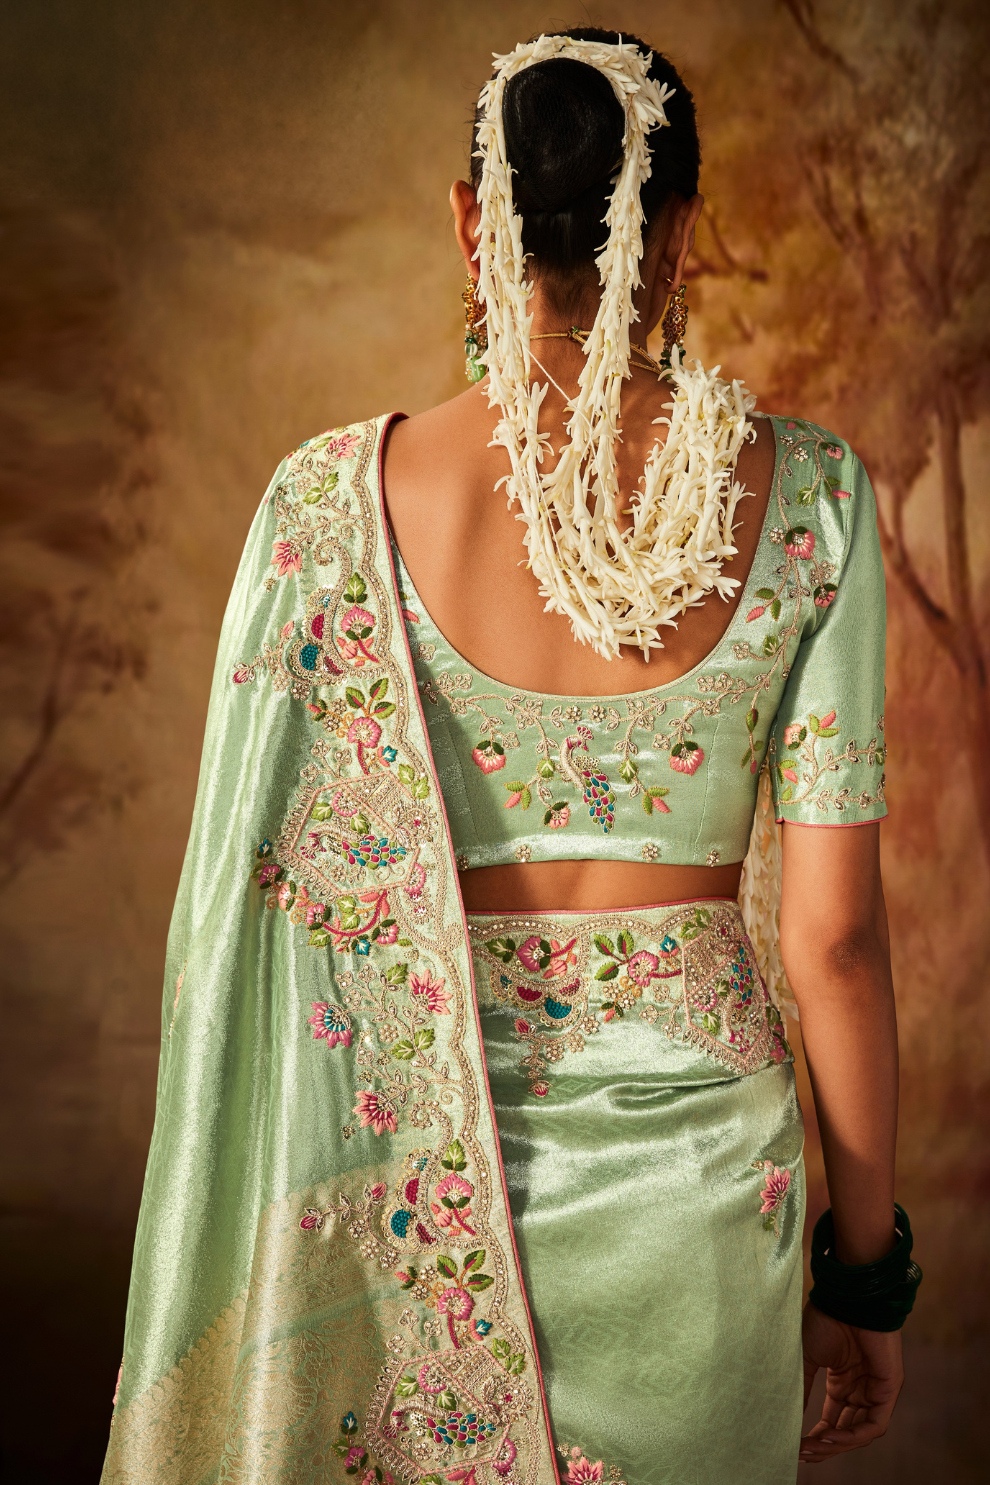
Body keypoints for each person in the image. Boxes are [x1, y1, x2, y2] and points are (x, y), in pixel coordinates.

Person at [102, 28, 920, 1485]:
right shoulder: (811, 499)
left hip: (404, 1204)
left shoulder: (330, 507)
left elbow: (248, 920)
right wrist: (864, 1276)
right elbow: (835, 944)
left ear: (469, 218)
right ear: (678, 229)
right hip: (695, 1208)